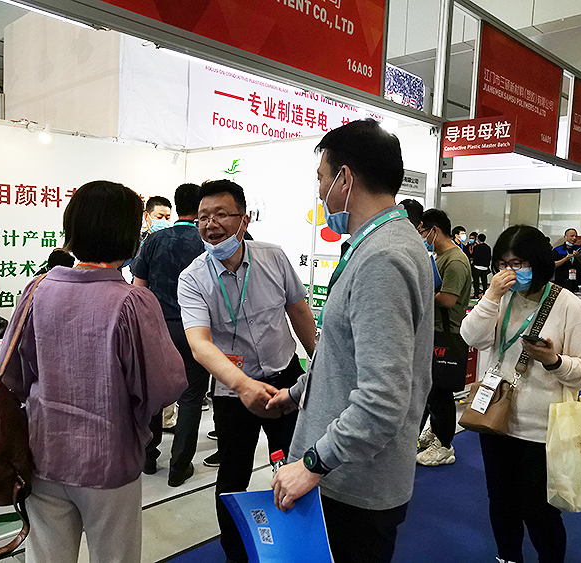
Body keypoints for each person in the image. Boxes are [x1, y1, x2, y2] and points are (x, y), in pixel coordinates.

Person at [268, 119, 434, 563]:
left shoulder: (383, 258)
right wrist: (296, 394)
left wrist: (314, 463)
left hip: (353, 483)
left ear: (345, 179)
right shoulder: (382, 243)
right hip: (346, 473)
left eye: (321, 179)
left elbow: (382, 398)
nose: (320, 192)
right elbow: (349, 356)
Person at [0, 180, 187, 563]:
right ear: (130, 237)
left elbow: (9, 374)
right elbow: (164, 387)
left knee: (46, 557)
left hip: (42, 452)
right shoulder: (132, 301)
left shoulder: (36, 290)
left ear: (71, 229)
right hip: (109, 459)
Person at [178, 179, 316, 563]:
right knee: (232, 476)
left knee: (297, 463)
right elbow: (199, 343)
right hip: (232, 390)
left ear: (244, 219)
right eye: (203, 217)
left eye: (221, 214)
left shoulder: (273, 257)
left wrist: (319, 363)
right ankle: (236, 554)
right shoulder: (193, 278)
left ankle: (299, 543)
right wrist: (241, 385)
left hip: (286, 378)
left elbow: (298, 311)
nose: (211, 224)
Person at [460, 225, 581, 563]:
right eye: (502, 264)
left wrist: (554, 361)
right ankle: (507, 556)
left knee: (539, 510)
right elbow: (472, 337)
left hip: (542, 431)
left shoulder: (567, 305)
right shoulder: (501, 298)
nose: (509, 272)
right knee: (500, 501)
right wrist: (490, 297)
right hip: (496, 419)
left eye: (518, 263)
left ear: (537, 263)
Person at [131, 183, 209, 486]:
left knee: (153, 393)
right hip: (196, 330)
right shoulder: (208, 240)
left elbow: (139, 287)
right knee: (191, 397)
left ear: (176, 206)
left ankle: (148, 458)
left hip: (158, 328)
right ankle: (179, 467)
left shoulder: (154, 240)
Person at [416, 208, 471, 466]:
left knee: (441, 391)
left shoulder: (455, 261)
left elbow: (448, 299)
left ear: (434, 230)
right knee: (430, 389)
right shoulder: (439, 257)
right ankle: (435, 432)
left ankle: (445, 444)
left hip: (447, 334)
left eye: (423, 232)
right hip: (433, 331)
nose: (422, 237)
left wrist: (419, 292)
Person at [552, 228, 581, 292]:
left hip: (577, 283)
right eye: (572, 236)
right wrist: (565, 259)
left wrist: (579, 257)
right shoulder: (558, 250)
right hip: (562, 282)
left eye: (576, 236)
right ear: (565, 237)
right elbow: (553, 264)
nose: (574, 238)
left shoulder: (580, 249)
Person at [472, 233, 492, 299]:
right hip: (485, 267)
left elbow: (475, 257)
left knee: (476, 282)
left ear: (478, 239)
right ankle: (485, 294)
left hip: (477, 267)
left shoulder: (476, 247)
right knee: (484, 282)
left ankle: (476, 294)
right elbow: (489, 257)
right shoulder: (488, 247)